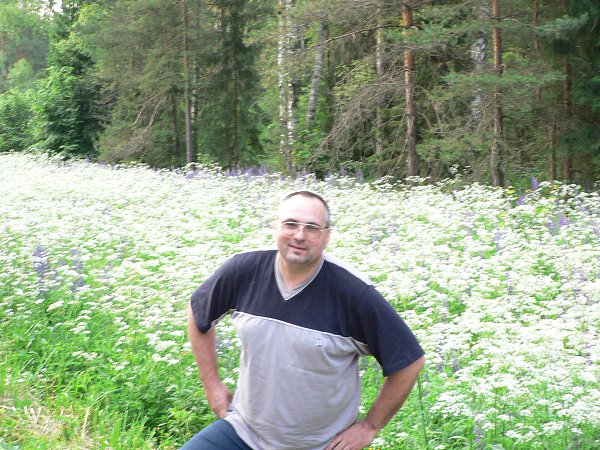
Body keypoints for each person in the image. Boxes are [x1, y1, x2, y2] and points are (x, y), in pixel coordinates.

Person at [183, 191, 425, 450]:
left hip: (320, 444)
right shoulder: (243, 270)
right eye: (290, 224)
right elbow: (198, 312)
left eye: (312, 228)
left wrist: (370, 426)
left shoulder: (353, 293)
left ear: (327, 236)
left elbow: (409, 361)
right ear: (276, 227)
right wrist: (212, 385)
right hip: (243, 432)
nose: (299, 235)